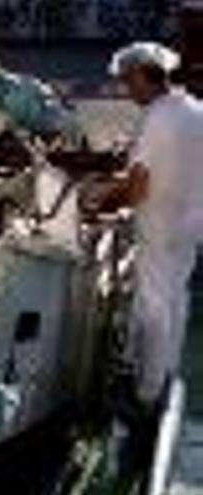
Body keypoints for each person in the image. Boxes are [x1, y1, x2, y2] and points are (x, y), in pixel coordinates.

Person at [103, 42, 203, 416]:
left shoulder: (157, 118)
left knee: (152, 307)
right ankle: (167, 375)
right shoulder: (196, 110)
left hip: (160, 223)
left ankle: (146, 395)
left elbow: (139, 185)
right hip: (191, 224)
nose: (128, 92)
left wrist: (103, 204)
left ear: (146, 75)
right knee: (176, 300)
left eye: (129, 82)